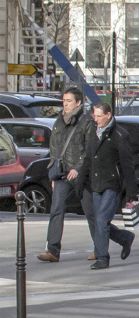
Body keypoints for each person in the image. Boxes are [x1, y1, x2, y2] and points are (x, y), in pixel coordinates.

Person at [37, 87, 93, 263]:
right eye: (64, 101)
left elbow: (89, 149)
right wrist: (53, 169)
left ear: (78, 103)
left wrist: (78, 168)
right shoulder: (58, 121)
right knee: (56, 210)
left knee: (91, 211)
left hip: (79, 173)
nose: (65, 104)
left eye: (69, 101)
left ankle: (100, 248)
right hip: (61, 173)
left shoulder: (86, 122)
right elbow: (54, 147)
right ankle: (53, 250)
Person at [80, 100, 137, 270]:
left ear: (108, 115)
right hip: (96, 184)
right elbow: (88, 159)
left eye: (98, 116)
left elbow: (127, 165)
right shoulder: (93, 132)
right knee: (99, 222)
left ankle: (102, 257)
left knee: (102, 220)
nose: (95, 119)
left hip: (112, 184)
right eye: (94, 115)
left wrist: (131, 191)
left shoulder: (119, 135)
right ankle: (125, 238)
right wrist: (80, 180)